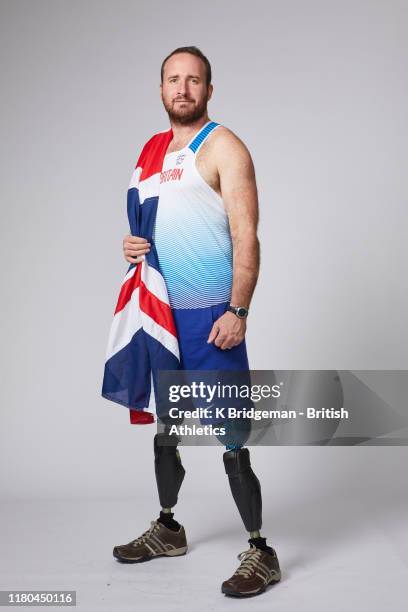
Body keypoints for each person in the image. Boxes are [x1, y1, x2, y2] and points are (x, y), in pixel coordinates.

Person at [112, 46, 281, 598]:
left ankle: (261, 550)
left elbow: (245, 235)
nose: (182, 89)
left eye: (193, 80)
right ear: (161, 89)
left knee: (231, 435)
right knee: (168, 429)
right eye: (172, 80)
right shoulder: (151, 151)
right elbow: (151, 229)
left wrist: (238, 309)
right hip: (162, 314)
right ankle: (169, 527)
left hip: (211, 315)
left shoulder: (224, 146)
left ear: (209, 89)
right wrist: (133, 245)